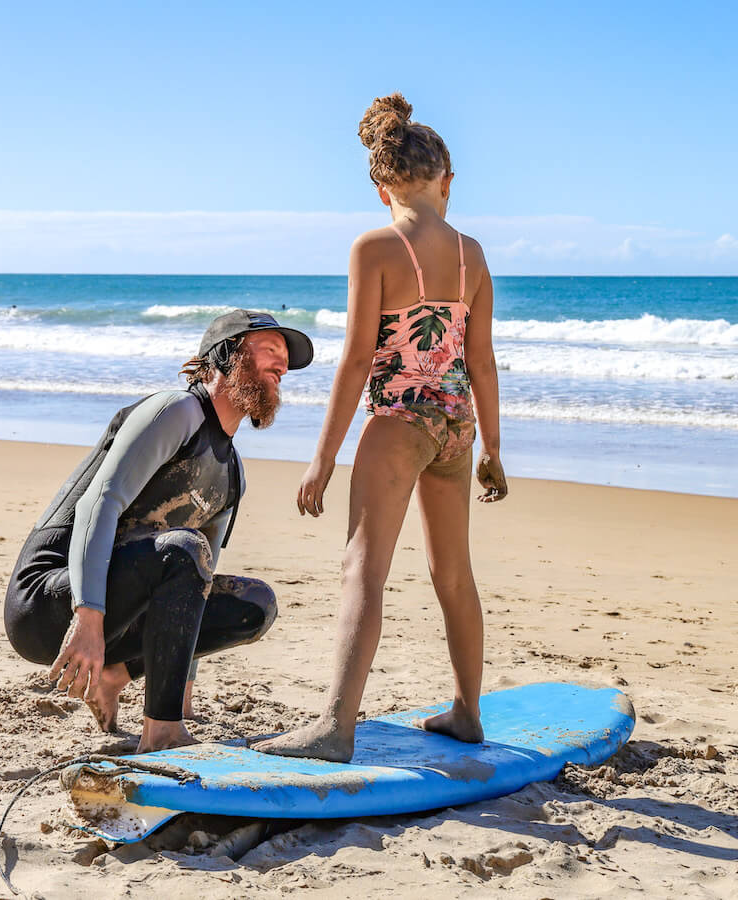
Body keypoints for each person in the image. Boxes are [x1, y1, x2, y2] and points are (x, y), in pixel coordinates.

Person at [254, 93, 508, 762]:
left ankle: (336, 727)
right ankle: (467, 711)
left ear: (380, 186)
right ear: (445, 181)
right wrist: (496, 452)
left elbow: (360, 358)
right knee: (453, 573)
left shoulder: (375, 247)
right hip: (458, 426)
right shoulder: (473, 254)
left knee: (363, 571)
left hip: (397, 421)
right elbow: (480, 360)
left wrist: (323, 458)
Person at [4, 310, 314, 752]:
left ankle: (117, 677)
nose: (282, 366)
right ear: (226, 356)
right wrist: (88, 616)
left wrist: (178, 692)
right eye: (270, 351)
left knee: (254, 605)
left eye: (285, 360)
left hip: (121, 615)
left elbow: (196, 584)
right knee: (182, 549)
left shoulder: (231, 473)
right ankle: (161, 732)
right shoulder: (176, 411)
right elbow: (100, 502)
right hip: (48, 600)